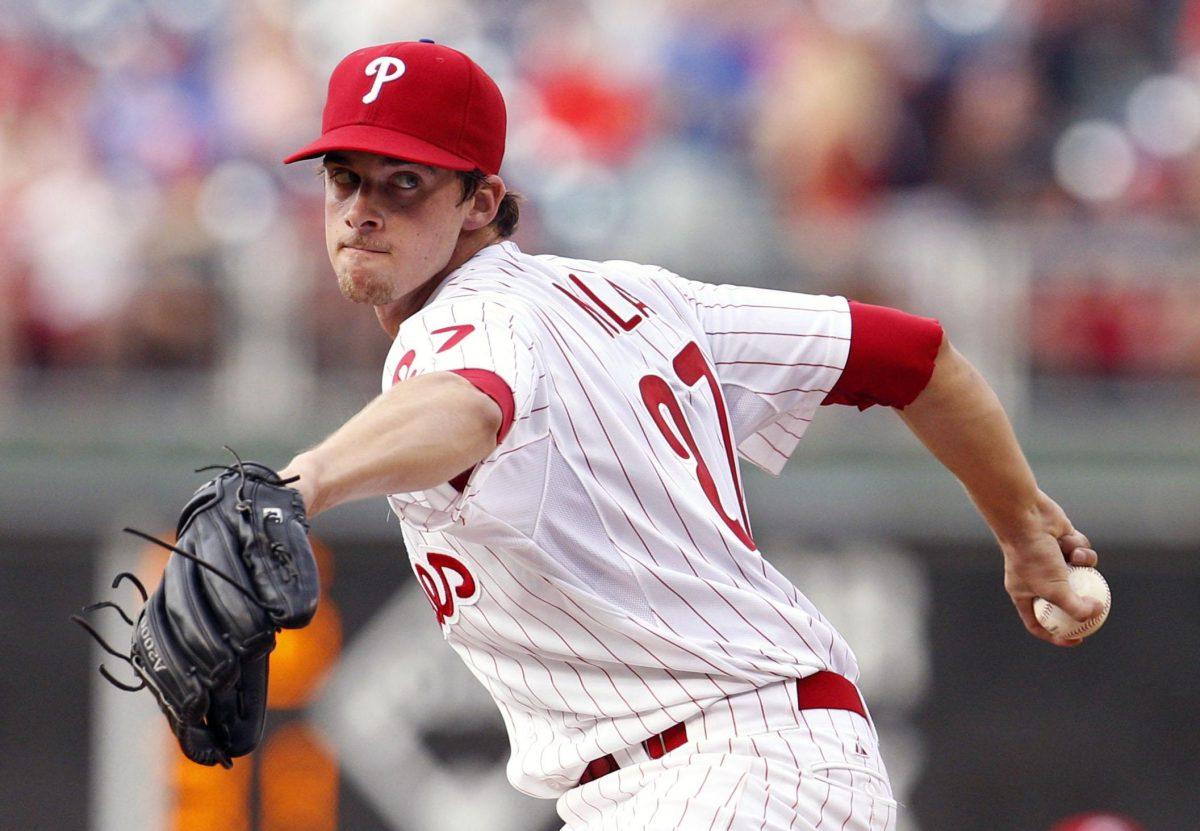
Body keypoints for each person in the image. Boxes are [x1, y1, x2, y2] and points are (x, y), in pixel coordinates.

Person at [278, 40, 1103, 831]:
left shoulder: (456, 321)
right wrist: (1026, 532)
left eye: (404, 183)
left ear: (481, 202)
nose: (363, 211)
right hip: (763, 765)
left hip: (713, 771)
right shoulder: (644, 300)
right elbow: (912, 357)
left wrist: (302, 483)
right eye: (345, 179)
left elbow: (472, 401)